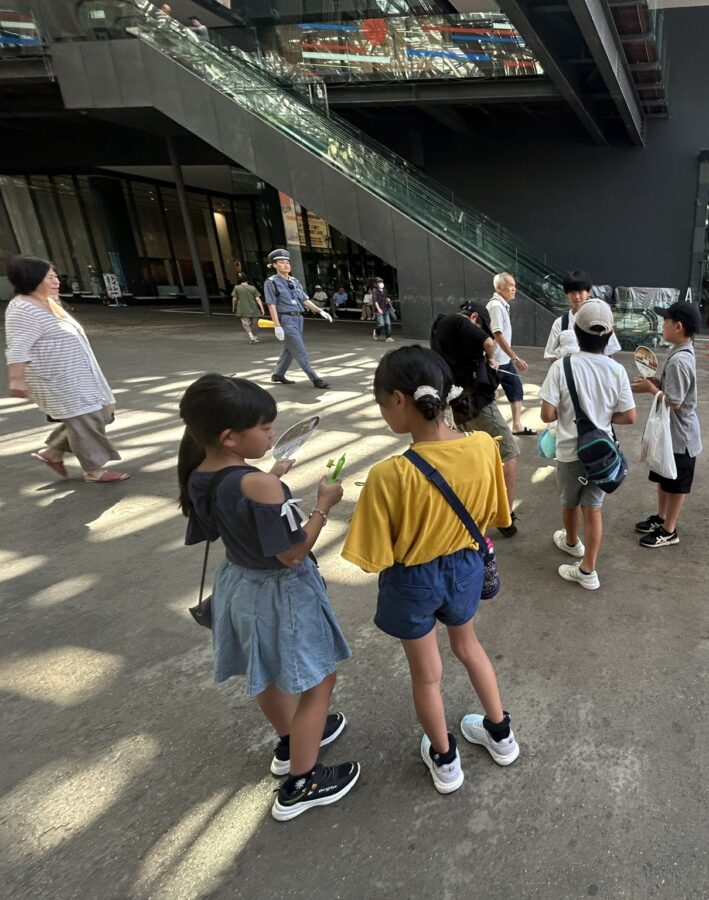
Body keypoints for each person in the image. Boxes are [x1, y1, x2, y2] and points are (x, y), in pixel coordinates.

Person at [178, 374, 358, 821]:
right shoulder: (258, 486)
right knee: (320, 680)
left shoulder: (202, 472)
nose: (273, 433)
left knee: (267, 673)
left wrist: (270, 477)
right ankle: (302, 782)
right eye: (265, 426)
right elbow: (294, 553)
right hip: (280, 594)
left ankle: (290, 740)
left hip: (238, 584)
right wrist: (323, 505)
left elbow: (231, 512)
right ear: (229, 436)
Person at [342, 347, 518, 794]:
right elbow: (496, 513)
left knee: (427, 674)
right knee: (469, 646)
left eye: (382, 404)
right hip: (465, 567)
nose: (383, 413)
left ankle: (445, 762)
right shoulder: (482, 446)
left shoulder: (388, 475)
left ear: (400, 400)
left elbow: (374, 556)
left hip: (413, 578)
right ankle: (501, 736)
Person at [538, 300, 636, 590]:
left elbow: (547, 414)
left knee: (569, 503)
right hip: (601, 455)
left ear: (575, 332)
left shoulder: (561, 366)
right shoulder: (616, 370)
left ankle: (571, 542)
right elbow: (630, 416)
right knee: (593, 509)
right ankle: (588, 570)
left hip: (569, 452)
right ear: (610, 335)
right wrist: (604, 417)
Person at [5, 256, 129, 483]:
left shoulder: (49, 302)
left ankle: (52, 451)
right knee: (87, 418)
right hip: (58, 379)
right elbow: (17, 348)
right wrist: (16, 379)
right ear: (31, 279)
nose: (56, 281)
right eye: (49, 277)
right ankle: (94, 470)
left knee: (101, 413)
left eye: (55, 276)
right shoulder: (23, 309)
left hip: (80, 374)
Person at [431, 302, 520, 538]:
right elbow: (489, 343)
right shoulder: (460, 321)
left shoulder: (440, 327)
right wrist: (490, 358)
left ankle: (468, 509)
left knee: (473, 454)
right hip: (477, 403)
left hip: (457, 402)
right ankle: (506, 516)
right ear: (473, 317)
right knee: (509, 450)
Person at [631, 301, 702, 548]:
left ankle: (669, 530)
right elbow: (671, 389)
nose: (663, 325)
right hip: (669, 434)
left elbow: (674, 401)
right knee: (663, 476)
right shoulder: (678, 350)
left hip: (680, 438)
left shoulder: (680, 360)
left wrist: (652, 388)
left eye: (666, 321)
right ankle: (661, 518)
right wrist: (656, 382)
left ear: (678, 326)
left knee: (676, 483)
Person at [262, 249, 333, 389]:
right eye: (281, 262)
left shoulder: (294, 281)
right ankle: (315, 379)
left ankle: (278, 374)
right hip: (286, 319)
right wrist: (277, 325)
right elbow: (271, 305)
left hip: (299, 318)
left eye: (287, 262)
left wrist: (320, 311)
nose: (286, 264)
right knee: (299, 349)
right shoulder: (271, 282)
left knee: (290, 348)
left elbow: (305, 300)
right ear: (274, 265)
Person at [486, 272, 534, 436]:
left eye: (514, 286)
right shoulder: (495, 306)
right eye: (510, 286)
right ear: (499, 288)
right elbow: (497, 334)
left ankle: (517, 425)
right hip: (495, 361)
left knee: (515, 388)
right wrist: (515, 357)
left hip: (503, 359)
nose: (514, 289)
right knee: (484, 394)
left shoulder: (503, 305)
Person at [543, 270, 620, 360]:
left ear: (589, 292)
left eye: (580, 292)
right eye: (572, 292)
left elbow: (610, 353)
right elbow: (551, 355)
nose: (576, 297)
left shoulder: (601, 320)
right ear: (566, 294)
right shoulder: (560, 323)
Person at [231, 273, 265, 343]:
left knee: (245, 323)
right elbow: (258, 299)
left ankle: (251, 336)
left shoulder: (236, 287)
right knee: (255, 324)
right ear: (247, 279)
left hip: (242, 308)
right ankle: (255, 337)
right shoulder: (253, 288)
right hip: (254, 308)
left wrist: (233, 307)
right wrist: (262, 308)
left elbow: (234, 299)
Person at [370, 278, 395, 343]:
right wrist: (379, 309)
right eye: (379, 282)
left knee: (388, 323)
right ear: (376, 284)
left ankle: (388, 337)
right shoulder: (374, 290)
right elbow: (375, 301)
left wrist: (387, 299)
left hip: (385, 309)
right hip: (379, 310)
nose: (381, 283)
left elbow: (384, 298)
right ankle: (376, 332)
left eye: (381, 282)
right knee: (381, 324)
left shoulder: (384, 290)